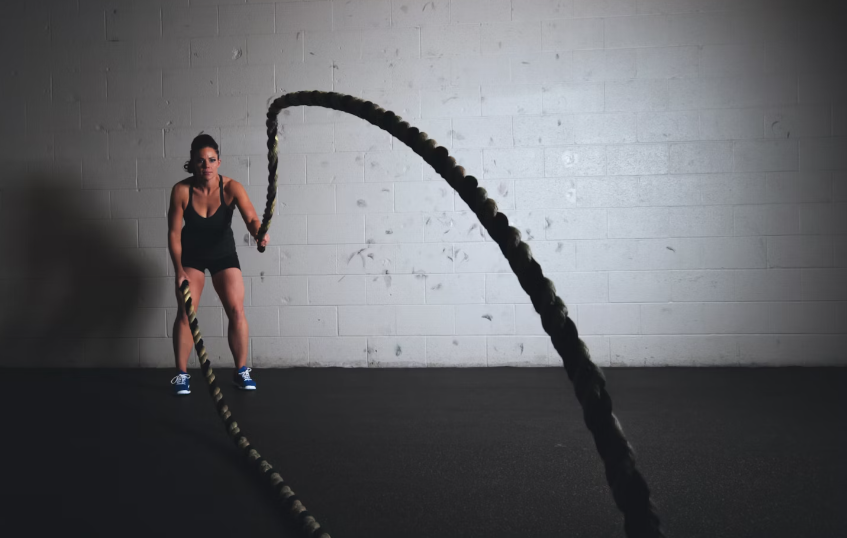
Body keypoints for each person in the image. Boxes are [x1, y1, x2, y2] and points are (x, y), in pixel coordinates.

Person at [167, 134, 269, 395]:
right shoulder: (181, 190)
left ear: (219, 162)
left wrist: (259, 233)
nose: (206, 165)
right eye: (201, 161)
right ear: (193, 162)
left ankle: (241, 370)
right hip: (192, 257)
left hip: (223, 255)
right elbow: (174, 233)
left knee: (237, 309)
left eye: (211, 160)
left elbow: (251, 219)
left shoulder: (232, 187)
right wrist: (178, 270)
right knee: (186, 313)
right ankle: (181, 374)